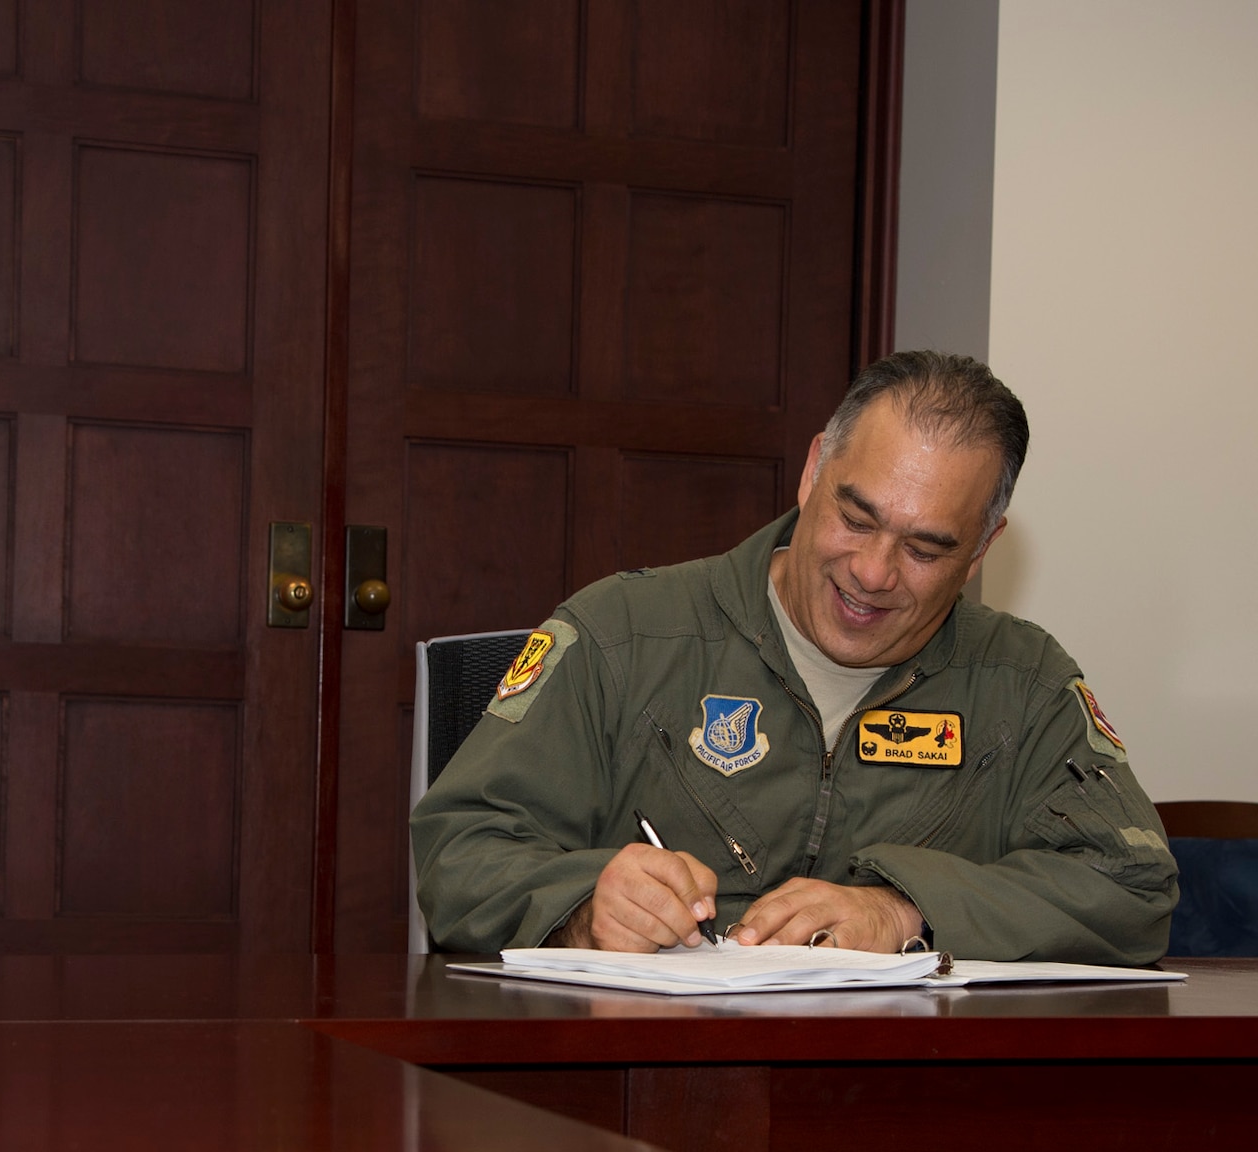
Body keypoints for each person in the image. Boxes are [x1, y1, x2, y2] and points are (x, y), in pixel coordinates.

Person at [412, 351, 1175, 965]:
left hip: (909, 1115)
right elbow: (460, 854)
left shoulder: (1024, 684)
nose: (874, 572)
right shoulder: (624, 635)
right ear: (813, 471)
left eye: (926, 547)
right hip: (643, 1105)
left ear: (981, 550)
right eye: (856, 516)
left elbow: (1132, 882)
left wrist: (907, 911)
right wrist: (583, 907)